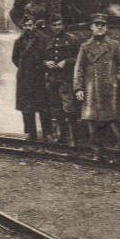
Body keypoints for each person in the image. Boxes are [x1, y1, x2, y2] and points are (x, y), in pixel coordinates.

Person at [73, 13, 120, 161]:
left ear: (106, 28)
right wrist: (78, 88)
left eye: (102, 25)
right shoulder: (85, 47)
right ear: (91, 27)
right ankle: (97, 153)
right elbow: (78, 69)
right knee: (93, 121)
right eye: (97, 24)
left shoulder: (114, 45)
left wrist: (115, 80)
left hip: (110, 89)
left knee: (114, 119)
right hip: (92, 89)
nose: (99, 27)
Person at [12, 15, 52, 141]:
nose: (28, 28)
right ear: (23, 27)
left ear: (34, 25)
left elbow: (47, 55)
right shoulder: (19, 41)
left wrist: (39, 67)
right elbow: (14, 58)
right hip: (25, 77)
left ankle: (48, 133)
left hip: (39, 76)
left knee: (44, 107)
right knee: (26, 108)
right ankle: (30, 133)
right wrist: (24, 68)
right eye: (25, 26)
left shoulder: (43, 39)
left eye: (30, 25)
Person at [44, 14, 79, 147]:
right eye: (54, 25)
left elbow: (79, 59)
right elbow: (43, 58)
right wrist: (47, 62)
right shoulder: (48, 41)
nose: (57, 27)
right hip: (53, 79)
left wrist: (67, 62)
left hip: (66, 79)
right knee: (56, 108)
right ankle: (62, 136)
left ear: (63, 25)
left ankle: (73, 138)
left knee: (69, 108)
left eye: (59, 24)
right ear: (51, 27)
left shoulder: (72, 39)